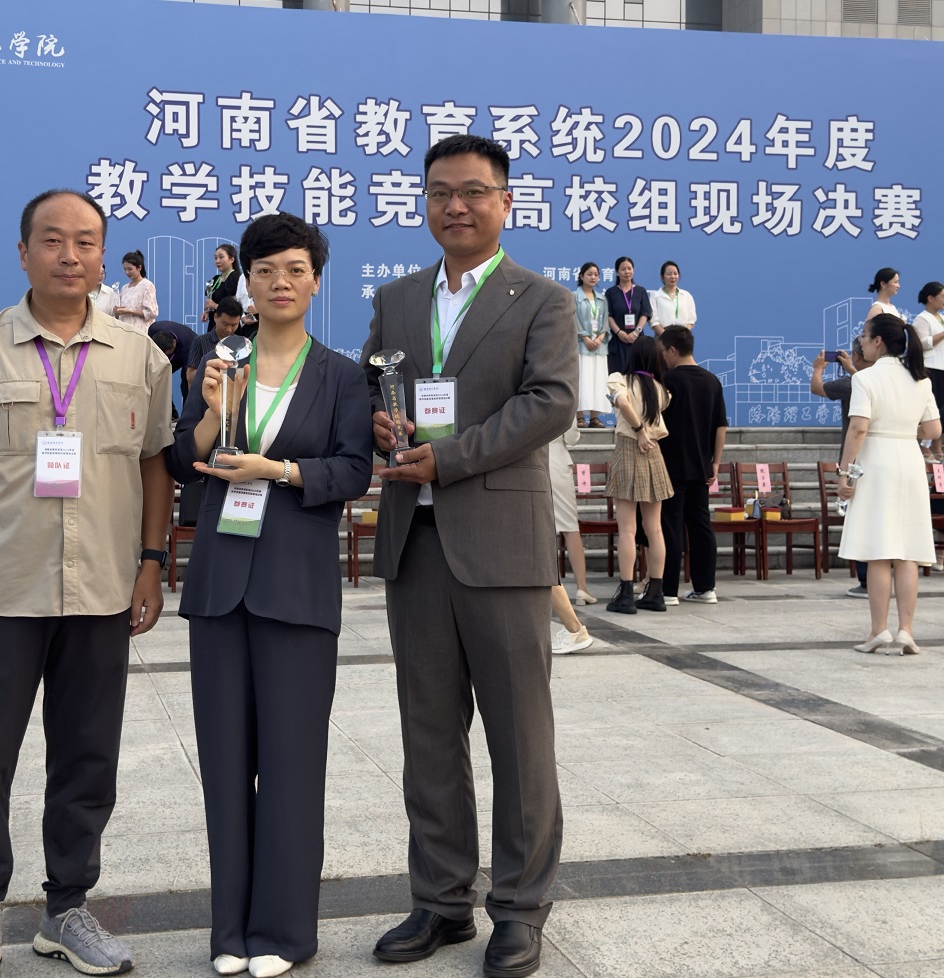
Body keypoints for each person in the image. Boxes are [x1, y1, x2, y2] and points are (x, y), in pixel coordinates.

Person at [0, 189, 174, 978]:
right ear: (23, 253)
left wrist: (150, 563)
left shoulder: (140, 358)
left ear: (104, 257)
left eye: (86, 241)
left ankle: (66, 910)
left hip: (101, 592)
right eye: (52, 240)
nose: (69, 255)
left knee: (87, 758)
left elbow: (155, 465)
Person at [361, 134, 575, 978]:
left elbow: (549, 402)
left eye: (473, 192)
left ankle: (519, 909)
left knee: (519, 738)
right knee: (427, 735)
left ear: (504, 202)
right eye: (440, 192)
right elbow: (375, 389)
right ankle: (440, 900)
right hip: (413, 540)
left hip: (501, 545)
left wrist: (448, 457)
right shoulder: (395, 299)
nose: (455, 205)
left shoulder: (543, 300)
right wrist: (378, 423)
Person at [166, 213, 372, 978]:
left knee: (291, 763)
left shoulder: (341, 375)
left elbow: (353, 471)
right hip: (219, 585)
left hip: (296, 586)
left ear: (315, 280)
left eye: (294, 269)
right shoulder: (221, 361)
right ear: (244, 283)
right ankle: (229, 930)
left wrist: (277, 471)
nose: (279, 283)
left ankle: (284, 933)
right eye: (264, 271)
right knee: (224, 766)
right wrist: (214, 416)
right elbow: (183, 460)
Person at [837, 313, 941, 655]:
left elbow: (858, 429)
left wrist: (844, 472)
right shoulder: (919, 379)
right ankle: (906, 631)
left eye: (865, 336)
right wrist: (905, 430)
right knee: (907, 551)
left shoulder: (866, 378)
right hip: (909, 461)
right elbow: (934, 430)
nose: (862, 342)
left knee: (879, 552)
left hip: (877, 462)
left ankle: (878, 630)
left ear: (878, 341)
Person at [657, 326, 726, 606]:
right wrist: (716, 462)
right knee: (701, 525)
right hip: (701, 465)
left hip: (670, 465)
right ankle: (705, 587)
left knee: (670, 525)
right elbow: (720, 426)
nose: (663, 357)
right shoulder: (712, 381)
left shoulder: (667, 381)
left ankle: (667, 590)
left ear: (673, 350)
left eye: (663, 352)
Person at [604, 336, 672, 615]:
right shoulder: (660, 390)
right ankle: (656, 592)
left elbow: (622, 402)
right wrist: (645, 432)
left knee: (627, 530)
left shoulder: (619, 379)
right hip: (654, 453)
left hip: (629, 449)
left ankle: (626, 593)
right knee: (655, 529)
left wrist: (639, 431)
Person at [810, 338, 872, 597]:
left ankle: (866, 580)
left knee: (860, 521)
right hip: (884, 458)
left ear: (857, 355)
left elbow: (817, 388)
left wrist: (818, 368)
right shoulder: (887, 380)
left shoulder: (853, 383)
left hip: (857, 461)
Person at [548, 433, 594, 653]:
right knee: (570, 528)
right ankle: (581, 588)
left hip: (536, 464)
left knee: (540, 533)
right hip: (557, 462)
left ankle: (574, 628)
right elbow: (573, 437)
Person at [185, 296, 252, 392]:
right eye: (225, 324)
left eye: (234, 325)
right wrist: (211, 369)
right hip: (206, 395)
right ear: (215, 317)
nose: (229, 329)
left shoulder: (241, 346)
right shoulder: (200, 342)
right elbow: (190, 376)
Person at [911, 281, 944, 461]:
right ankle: (924, 446)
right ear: (930, 298)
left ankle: (937, 446)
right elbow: (921, 344)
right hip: (931, 369)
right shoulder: (922, 319)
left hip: (942, 367)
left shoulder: (941, 317)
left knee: (941, 412)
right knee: (932, 410)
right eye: (942, 296)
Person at [575, 261, 610, 428]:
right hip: (581, 346)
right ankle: (579, 416)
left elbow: (605, 322)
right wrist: (585, 338)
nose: (593, 277)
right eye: (589, 274)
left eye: (596, 274)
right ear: (582, 276)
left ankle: (594, 418)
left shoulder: (602, 299)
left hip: (599, 347)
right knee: (582, 380)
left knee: (598, 381)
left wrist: (600, 338)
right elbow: (573, 319)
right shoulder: (574, 296)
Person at [605, 256, 652, 375]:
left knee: (638, 375)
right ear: (617, 272)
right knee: (618, 376)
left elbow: (645, 313)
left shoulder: (640, 291)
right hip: (618, 340)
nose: (627, 272)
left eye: (629, 268)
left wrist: (636, 332)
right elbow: (608, 315)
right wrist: (619, 332)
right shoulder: (611, 292)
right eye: (623, 269)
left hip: (637, 340)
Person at [149, 319, 198, 407]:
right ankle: (169, 411)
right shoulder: (153, 329)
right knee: (158, 377)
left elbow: (190, 378)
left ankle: (188, 411)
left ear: (174, 342)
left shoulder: (189, 345)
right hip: (171, 347)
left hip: (189, 348)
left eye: (168, 355)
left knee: (186, 384)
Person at [113, 249, 158, 331]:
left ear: (139, 268)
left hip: (141, 331)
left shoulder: (147, 285)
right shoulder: (124, 288)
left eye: (130, 269)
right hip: (125, 331)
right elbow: (119, 316)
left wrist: (130, 311)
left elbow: (152, 312)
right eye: (125, 269)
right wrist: (117, 312)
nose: (127, 272)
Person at [649, 261, 697, 335]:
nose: (673, 277)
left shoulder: (686, 295)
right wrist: (666, 336)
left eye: (675, 274)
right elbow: (653, 320)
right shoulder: (655, 297)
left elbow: (691, 318)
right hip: (663, 336)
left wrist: (684, 334)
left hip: (683, 336)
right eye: (669, 274)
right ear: (662, 276)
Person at [202, 243, 240, 330]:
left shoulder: (235, 277)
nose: (217, 261)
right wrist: (207, 311)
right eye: (215, 258)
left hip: (228, 326)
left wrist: (215, 305)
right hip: (214, 323)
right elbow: (211, 298)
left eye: (221, 257)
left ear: (231, 259)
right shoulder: (216, 279)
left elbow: (237, 305)